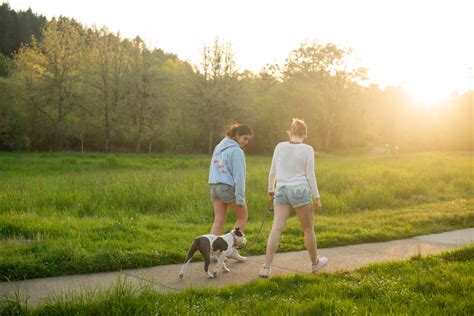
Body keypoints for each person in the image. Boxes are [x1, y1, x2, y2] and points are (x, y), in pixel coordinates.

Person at [259, 118, 328, 277]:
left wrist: (271, 188)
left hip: (281, 190)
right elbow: (310, 175)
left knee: (276, 228)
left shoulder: (280, 146)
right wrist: (317, 197)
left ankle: (266, 268)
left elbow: (272, 171)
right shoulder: (308, 149)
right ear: (305, 134)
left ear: (291, 132)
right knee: (308, 228)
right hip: (300, 191)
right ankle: (315, 264)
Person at [208, 123, 254, 261]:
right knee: (242, 217)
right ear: (237, 135)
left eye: (248, 140)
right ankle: (232, 250)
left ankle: (211, 253)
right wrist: (240, 198)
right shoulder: (237, 151)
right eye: (244, 138)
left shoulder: (218, 147)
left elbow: (218, 168)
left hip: (215, 187)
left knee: (219, 220)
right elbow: (239, 177)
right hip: (228, 188)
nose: (246, 142)